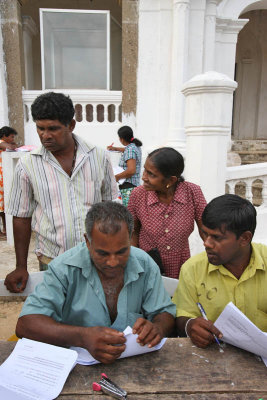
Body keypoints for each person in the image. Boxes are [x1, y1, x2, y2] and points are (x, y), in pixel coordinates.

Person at [16, 201, 176, 364]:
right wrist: (82, 337)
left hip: (135, 366)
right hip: (76, 370)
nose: (113, 262)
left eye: (122, 252)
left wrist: (157, 328)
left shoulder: (145, 264)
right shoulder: (64, 269)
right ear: (87, 241)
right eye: (102, 254)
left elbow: (164, 312)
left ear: (130, 237)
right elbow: (26, 325)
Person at [4, 92, 117, 293]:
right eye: (40, 128)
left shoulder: (98, 156)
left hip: (95, 257)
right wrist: (20, 266)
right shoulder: (27, 165)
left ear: (71, 125)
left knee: (94, 316)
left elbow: (109, 206)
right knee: (56, 314)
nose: (45, 135)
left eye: (53, 129)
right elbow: (21, 217)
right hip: (51, 259)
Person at [173, 194, 267, 348]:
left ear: (244, 238)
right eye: (205, 233)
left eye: (216, 237)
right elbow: (183, 315)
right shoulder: (192, 269)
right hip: (214, 357)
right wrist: (190, 326)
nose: (206, 243)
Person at [127, 147, 207, 278]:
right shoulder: (138, 195)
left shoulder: (193, 192)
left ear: (171, 180)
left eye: (151, 174)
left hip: (181, 268)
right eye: (145, 171)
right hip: (146, 267)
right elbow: (132, 232)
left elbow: (206, 230)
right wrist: (133, 263)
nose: (144, 177)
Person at [107, 126, 142, 206]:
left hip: (129, 187)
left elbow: (131, 170)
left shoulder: (130, 150)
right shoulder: (135, 146)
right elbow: (127, 149)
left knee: (129, 212)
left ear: (121, 139)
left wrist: (116, 177)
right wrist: (115, 148)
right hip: (132, 186)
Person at [0, 126, 18, 238]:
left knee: (2, 206)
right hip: (1, 178)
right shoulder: (1, 142)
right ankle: (5, 230)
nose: (12, 139)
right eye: (11, 137)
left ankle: (5, 230)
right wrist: (14, 145)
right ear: (5, 136)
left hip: (2, 177)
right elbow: (10, 147)